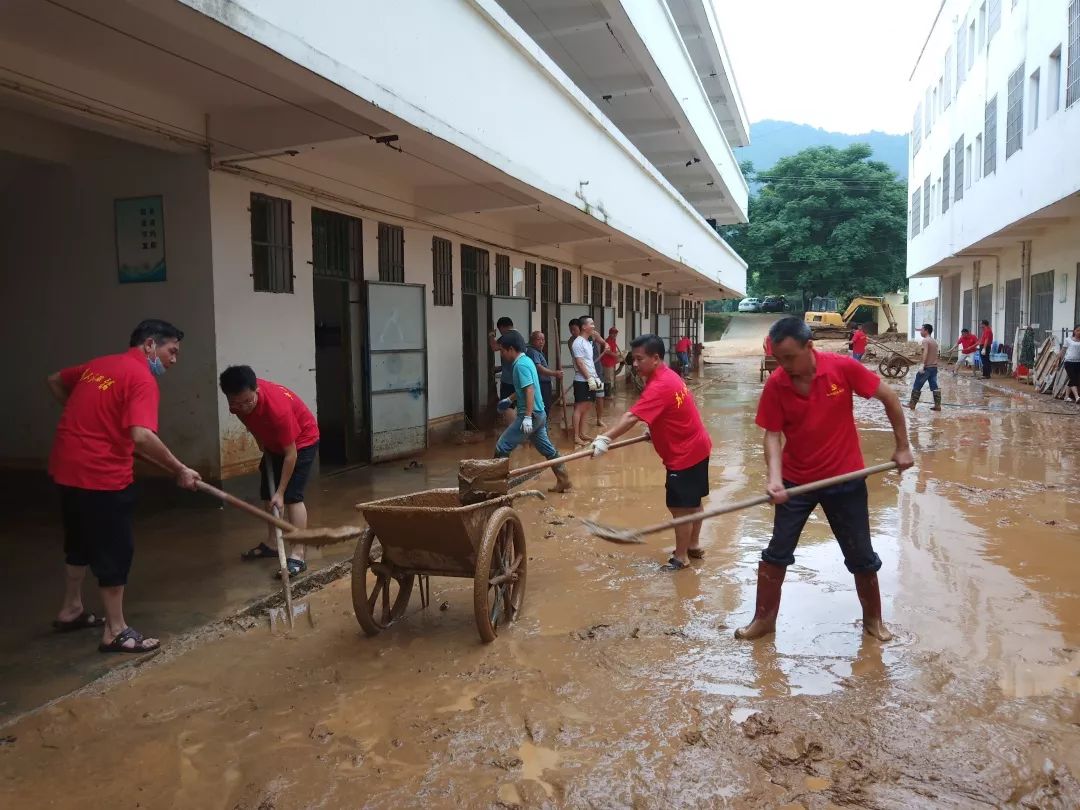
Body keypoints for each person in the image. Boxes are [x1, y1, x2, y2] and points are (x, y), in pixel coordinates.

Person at [738, 317, 913, 642]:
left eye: (790, 357)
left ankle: (873, 621)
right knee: (777, 551)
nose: (784, 365)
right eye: (778, 359)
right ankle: (763, 621)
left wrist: (902, 446)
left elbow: (889, 397)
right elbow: (772, 436)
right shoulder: (777, 383)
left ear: (809, 347)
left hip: (846, 479)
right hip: (795, 483)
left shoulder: (842, 369)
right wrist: (774, 479)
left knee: (861, 553)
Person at [47, 319, 201, 654]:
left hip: (66, 468)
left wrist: (87, 422)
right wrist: (180, 469)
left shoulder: (99, 365)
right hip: (102, 476)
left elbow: (55, 380)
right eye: (171, 351)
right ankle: (115, 630)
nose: (174, 360)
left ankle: (71, 607)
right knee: (114, 550)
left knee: (79, 540)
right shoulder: (141, 378)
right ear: (149, 345)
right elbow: (141, 436)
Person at [591, 334, 712, 570]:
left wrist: (605, 438)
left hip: (684, 455)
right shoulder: (668, 375)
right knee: (694, 502)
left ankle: (681, 557)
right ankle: (694, 545)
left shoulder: (660, 384)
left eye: (639, 359)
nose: (634, 364)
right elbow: (676, 410)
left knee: (680, 509)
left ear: (655, 358)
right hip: (699, 446)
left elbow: (631, 416)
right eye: (633, 359)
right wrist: (655, 431)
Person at [219, 366, 320, 577]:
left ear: (256, 390)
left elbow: (290, 454)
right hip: (273, 442)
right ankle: (274, 543)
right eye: (236, 403)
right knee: (267, 494)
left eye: (248, 401)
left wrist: (281, 492)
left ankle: (299, 554)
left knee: (292, 497)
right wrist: (260, 440)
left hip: (301, 442)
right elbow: (248, 419)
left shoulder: (278, 410)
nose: (243, 407)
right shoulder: (238, 404)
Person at [495, 331, 571, 492]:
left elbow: (529, 389)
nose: (501, 354)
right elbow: (524, 388)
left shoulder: (520, 365)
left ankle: (497, 488)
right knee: (547, 449)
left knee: (502, 447)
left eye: (502, 350)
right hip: (540, 413)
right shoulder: (527, 361)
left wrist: (527, 417)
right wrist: (509, 399)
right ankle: (564, 479)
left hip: (531, 414)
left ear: (510, 349)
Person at [571, 317, 603, 446]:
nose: (594, 326)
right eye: (592, 324)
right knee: (579, 408)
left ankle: (582, 433)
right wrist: (589, 378)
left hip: (590, 378)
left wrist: (594, 377)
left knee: (587, 407)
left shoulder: (587, 342)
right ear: (584, 327)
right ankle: (576, 436)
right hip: (582, 380)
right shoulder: (578, 342)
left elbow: (589, 363)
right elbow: (580, 362)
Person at [525, 330, 562, 410]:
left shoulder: (539, 352)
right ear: (532, 340)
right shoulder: (533, 352)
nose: (541, 342)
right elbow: (539, 368)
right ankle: (543, 422)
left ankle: (544, 422)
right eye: (539, 339)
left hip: (544, 383)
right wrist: (555, 373)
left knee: (546, 406)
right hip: (540, 384)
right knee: (543, 407)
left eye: (543, 339)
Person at [908, 324, 941, 411]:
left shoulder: (925, 340)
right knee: (934, 386)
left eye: (922, 330)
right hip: (934, 367)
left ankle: (912, 404)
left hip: (927, 368)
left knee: (917, 385)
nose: (920, 332)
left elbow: (925, 352)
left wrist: (922, 365)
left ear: (926, 331)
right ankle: (937, 406)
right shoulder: (934, 341)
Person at [490, 317, 516, 424]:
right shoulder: (517, 336)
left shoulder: (506, 337)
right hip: (517, 377)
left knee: (508, 406)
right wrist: (500, 368)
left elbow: (494, 347)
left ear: (501, 327)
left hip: (509, 380)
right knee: (517, 406)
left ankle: (512, 431)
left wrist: (491, 335)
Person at [1060, 325, 1080, 403]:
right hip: (1069, 362)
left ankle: (1066, 396)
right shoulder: (1068, 340)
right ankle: (1077, 397)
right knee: (1074, 379)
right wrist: (1058, 360)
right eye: (1078, 330)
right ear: (1074, 331)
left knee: (1073, 379)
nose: (1079, 332)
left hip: (1078, 362)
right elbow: (1063, 350)